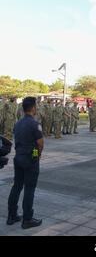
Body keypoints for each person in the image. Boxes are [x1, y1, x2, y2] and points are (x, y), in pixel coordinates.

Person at [7, 97, 43, 229]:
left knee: (16, 186)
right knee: (29, 189)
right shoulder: (35, 124)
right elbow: (39, 144)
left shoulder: (18, 123)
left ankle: (12, 215)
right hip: (30, 159)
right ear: (33, 108)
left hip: (19, 158)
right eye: (36, 106)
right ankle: (27, 219)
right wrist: (37, 156)